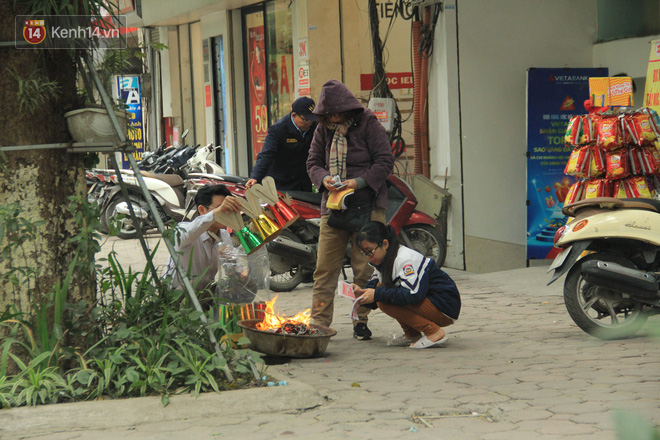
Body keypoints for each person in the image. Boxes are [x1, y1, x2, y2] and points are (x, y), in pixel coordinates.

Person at [306, 79, 394, 339]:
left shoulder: (367, 121)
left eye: (337, 113)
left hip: (368, 207)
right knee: (324, 269)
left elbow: (384, 160)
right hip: (334, 208)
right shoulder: (323, 129)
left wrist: (357, 182)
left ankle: (360, 321)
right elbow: (312, 162)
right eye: (328, 114)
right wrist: (324, 179)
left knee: (363, 269)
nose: (333, 118)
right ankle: (319, 322)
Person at [352, 221, 461, 349]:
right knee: (382, 292)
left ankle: (433, 332)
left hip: (444, 307)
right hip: (431, 302)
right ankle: (412, 335)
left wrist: (376, 294)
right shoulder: (383, 260)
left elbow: (413, 295)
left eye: (369, 251)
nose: (367, 257)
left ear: (385, 244)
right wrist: (362, 294)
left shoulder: (405, 259)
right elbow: (376, 284)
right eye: (363, 253)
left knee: (384, 299)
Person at [164, 184, 242, 303]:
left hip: (205, 292)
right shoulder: (182, 230)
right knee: (192, 287)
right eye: (221, 209)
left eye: (228, 209)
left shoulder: (224, 235)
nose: (227, 214)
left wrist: (233, 264)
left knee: (246, 286)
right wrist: (217, 212)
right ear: (202, 210)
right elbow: (192, 230)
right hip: (178, 295)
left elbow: (233, 273)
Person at [245, 97, 319, 191]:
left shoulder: (315, 127)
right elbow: (267, 154)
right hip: (281, 183)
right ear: (294, 115)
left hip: (303, 183)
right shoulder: (278, 129)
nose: (309, 123)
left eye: (311, 120)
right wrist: (255, 176)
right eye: (305, 120)